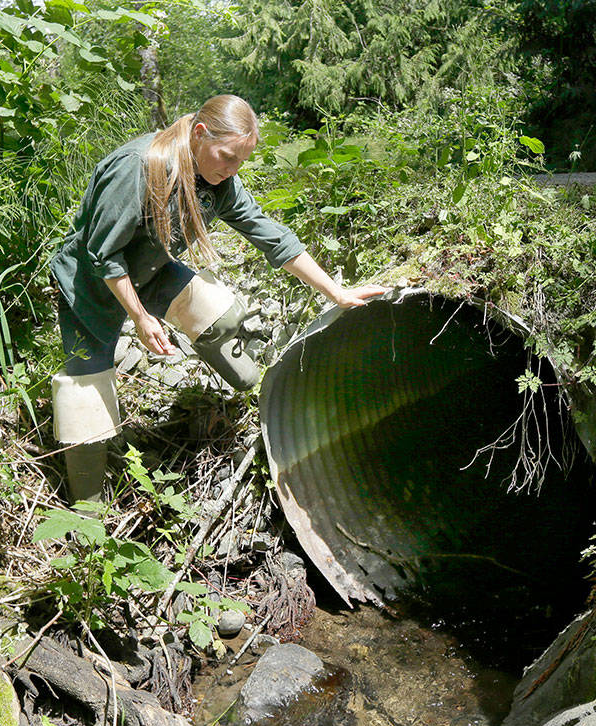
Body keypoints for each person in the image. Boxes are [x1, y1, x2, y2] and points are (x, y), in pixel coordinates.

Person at [50, 94, 386, 502]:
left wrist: (336, 292)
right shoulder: (138, 168)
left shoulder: (220, 181)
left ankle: (251, 390)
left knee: (222, 315)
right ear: (199, 133)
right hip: (93, 282)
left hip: (150, 267)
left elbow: (271, 235)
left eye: (240, 162)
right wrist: (140, 318)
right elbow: (102, 253)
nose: (231, 170)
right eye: (227, 157)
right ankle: (87, 510)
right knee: (86, 403)